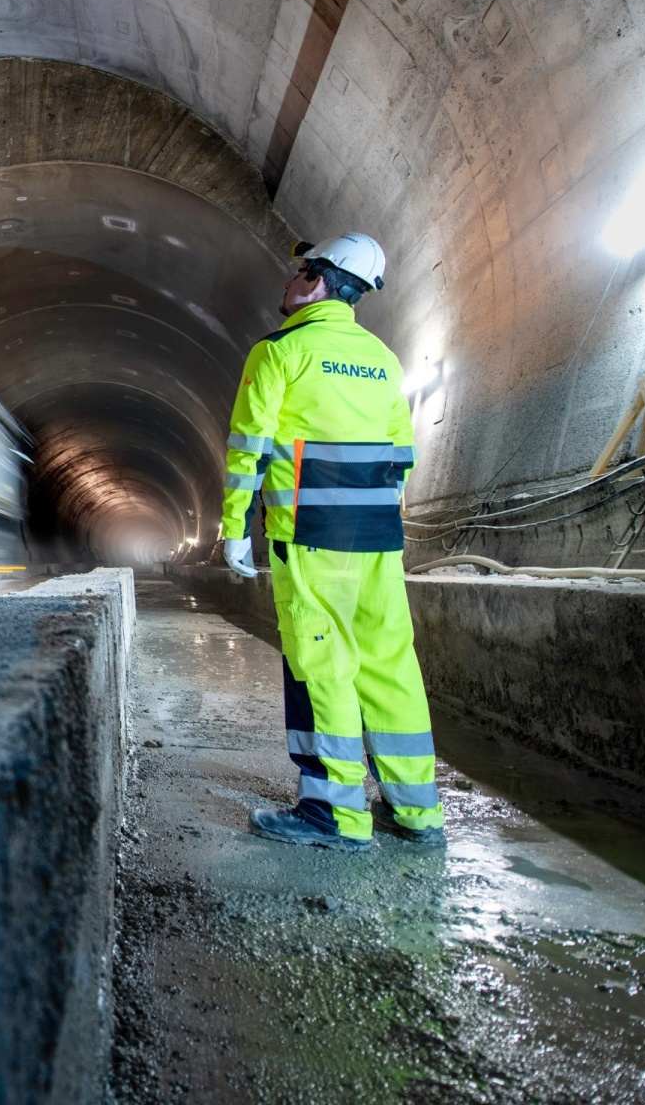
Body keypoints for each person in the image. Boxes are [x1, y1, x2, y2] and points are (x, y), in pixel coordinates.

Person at [218, 233, 444, 851]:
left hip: (311, 537)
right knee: (391, 667)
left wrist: (236, 526)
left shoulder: (279, 352)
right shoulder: (383, 360)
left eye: (300, 271)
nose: (289, 280)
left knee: (323, 667)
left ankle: (335, 814)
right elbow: (402, 456)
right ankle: (418, 812)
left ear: (319, 281)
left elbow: (249, 451)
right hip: (377, 540)